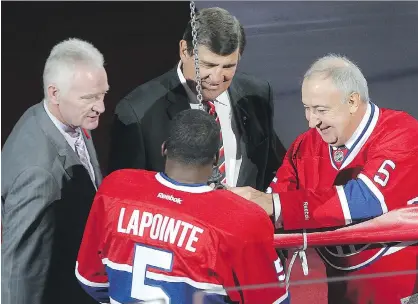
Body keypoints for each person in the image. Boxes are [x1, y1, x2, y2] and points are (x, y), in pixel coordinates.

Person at [229, 54, 418, 304]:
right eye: (306, 108)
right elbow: (270, 207)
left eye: (320, 110)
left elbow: (365, 199)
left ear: (353, 101)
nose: (311, 121)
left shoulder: (402, 132)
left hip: (407, 294)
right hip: (342, 295)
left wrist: (276, 204)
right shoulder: (305, 146)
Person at [75, 109, 290, 304]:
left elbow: (92, 280)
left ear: (164, 148)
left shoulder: (116, 189)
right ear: (215, 158)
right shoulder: (242, 219)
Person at [108, 7, 285, 191]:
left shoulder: (257, 94)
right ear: (185, 50)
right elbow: (125, 194)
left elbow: (269, 170)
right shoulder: (138, 112)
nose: (216, 78)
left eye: (229, 66)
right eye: (208, 65)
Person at [1, 38, 108, 304]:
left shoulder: (59, 115)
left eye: (103, 94)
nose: (101, 107)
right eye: (90, 98)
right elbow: (19, 270)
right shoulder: (39, 174)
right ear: (54, 93)